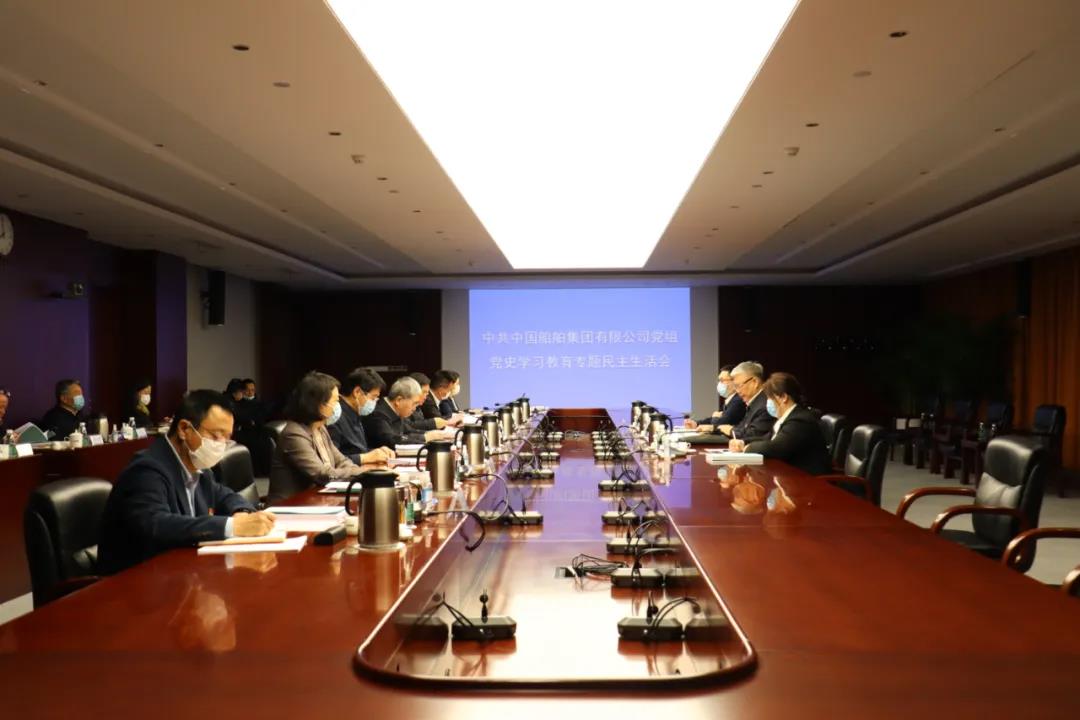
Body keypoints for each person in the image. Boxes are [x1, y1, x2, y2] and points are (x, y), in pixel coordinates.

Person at [97, 390, 274, 574]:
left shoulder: (200, 469)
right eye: (216, 436)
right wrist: (232, 527)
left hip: (183, 572)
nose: (221, 444)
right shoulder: (147, 470)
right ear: (184, 429)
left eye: (227, 438)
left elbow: (223, 495)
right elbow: (157, 524)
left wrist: (242, 513)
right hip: (136, 581)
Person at [267, 371, 364, 504]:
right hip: (289, 506)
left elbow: (341, 460)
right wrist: (363, 473)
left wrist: (360, 472)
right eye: (335, 401)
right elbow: (322, 474)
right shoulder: (294, 434)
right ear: (319, 404)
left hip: (316, 500)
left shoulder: (320, 428)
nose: (338, 406)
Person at [729, 372, 831, 476]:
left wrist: (748, 448)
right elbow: (768, 438)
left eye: (770, 398)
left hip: (807, 479)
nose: (768, 403)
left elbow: (776, 448)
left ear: (783, 397)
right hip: (789, 474)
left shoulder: (800, 420)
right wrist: (743, 442)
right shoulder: (786, 417)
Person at [328, 367, 395, 465]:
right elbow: (332, 460)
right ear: (357, 392)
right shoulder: (335, 416)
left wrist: (377, 452)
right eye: (373, 397)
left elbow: (358, 450)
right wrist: (365, 457)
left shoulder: (356, 413)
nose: (375, 402)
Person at [362, 376, 438, 450]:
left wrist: (432, 434)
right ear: (399, 400)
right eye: (414, 403)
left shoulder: (397, 412)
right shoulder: (377, 414)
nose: (415, 408)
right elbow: (392, 440)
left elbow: (408, 431)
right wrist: (425, 437)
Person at [718, 361, 774, 441]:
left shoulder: (765, 405)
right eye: (735, 387)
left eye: (738, 386)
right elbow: (742, 427)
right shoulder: (754, 402)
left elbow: (754, 434)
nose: (737, 391)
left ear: (755, 382)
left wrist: (731, 430)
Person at [684, 365, 746, 430]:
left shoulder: (738, 400)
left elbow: (720, 424)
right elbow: (715, 419)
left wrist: (715, 417)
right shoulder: (730, 399)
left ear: (734, 381)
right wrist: (696, 423)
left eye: (722, 380)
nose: (719, 384)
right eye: (719, 380)